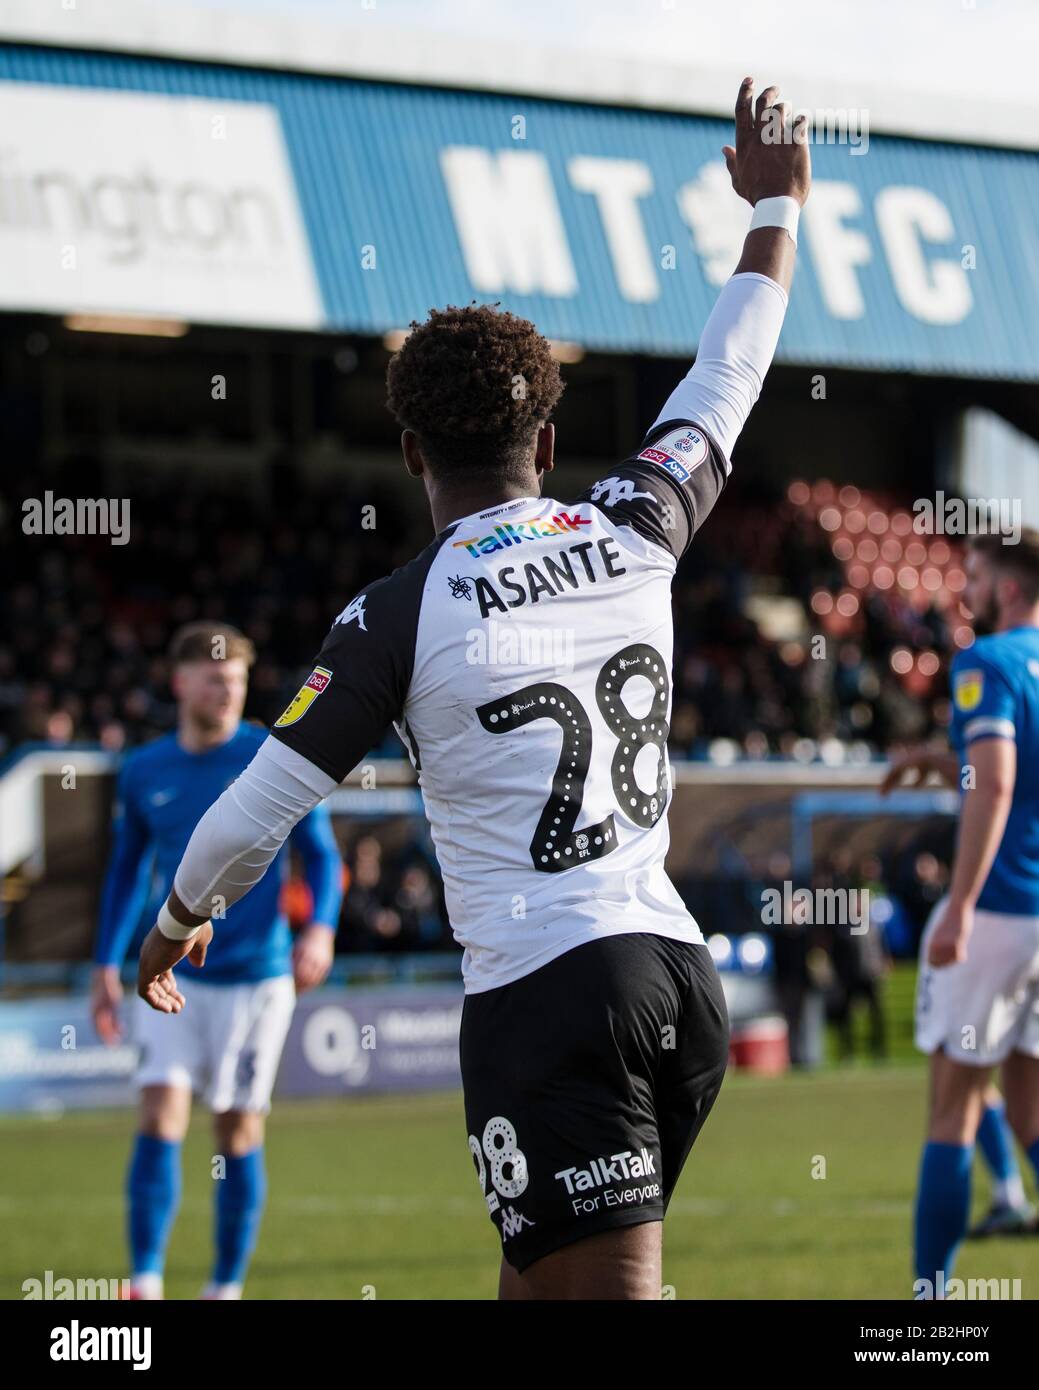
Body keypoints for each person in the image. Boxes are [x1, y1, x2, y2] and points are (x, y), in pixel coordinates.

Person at [135, 78, 810, 1300]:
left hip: (552, 996)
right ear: (546, 446)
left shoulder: (395, 614)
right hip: (673, 970)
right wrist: (776, 208)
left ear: (409, 454)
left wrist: (176, 920)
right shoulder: (637, 519)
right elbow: (731, 369)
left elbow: (252, 813)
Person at [92, 622, 343, 1300]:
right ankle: (144, 1280)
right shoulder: (144, 770)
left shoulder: (271, 754)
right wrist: (104, 965)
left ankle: (222, 1288)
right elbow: (125, 871)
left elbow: (320, 854)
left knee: (235, 1127)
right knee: (159, 1112)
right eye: (212, 677)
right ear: (179, 683)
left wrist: (318, 930)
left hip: (256, 977)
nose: (226, 688)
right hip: (168, 973)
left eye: (235, 677)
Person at [883, 533, 1039, 1293]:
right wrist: (939, 760)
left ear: (1007, 589)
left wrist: (960, 907)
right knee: (1031, 1113)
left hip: (1000, 909)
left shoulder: (988, 663)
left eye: (974, 576)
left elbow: (997, 784)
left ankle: (930, 1309)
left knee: (952, 1110)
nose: (963, 590)